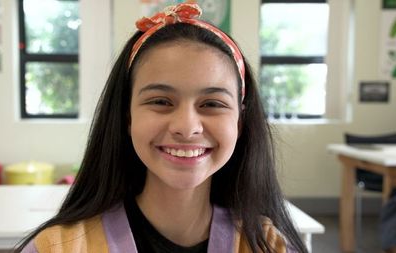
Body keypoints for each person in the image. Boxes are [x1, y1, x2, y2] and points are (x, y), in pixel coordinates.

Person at [17, 3, 307, 253]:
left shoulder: (269, 245)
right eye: (160, 101)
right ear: (126, 116)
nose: (186, 127)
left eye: (212, 104)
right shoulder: (58, 247)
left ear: (240, 122)